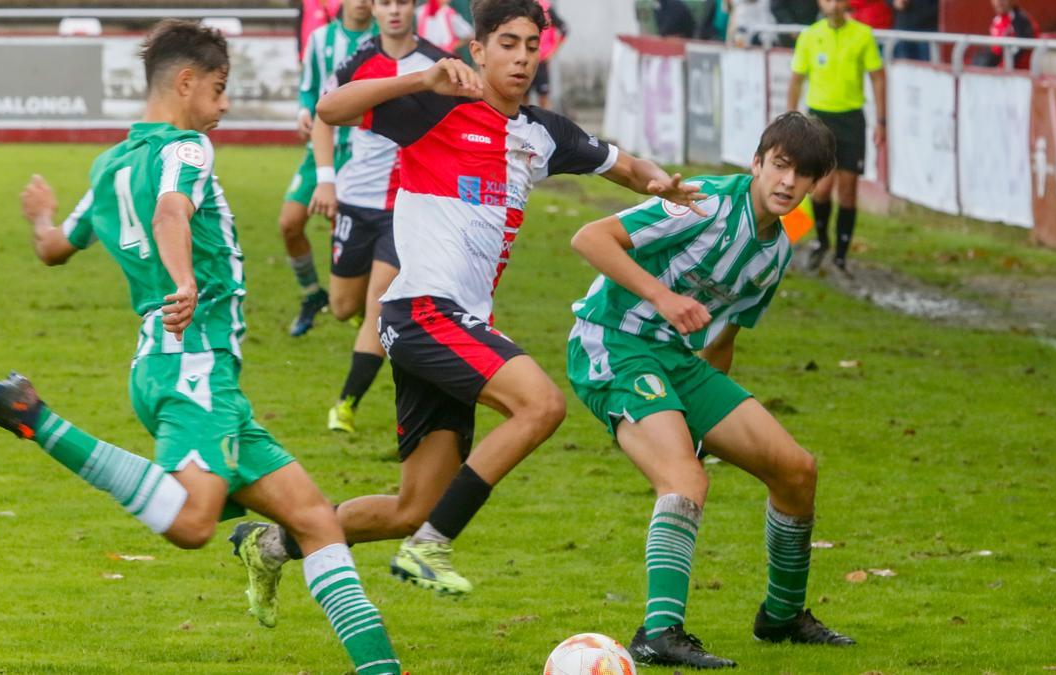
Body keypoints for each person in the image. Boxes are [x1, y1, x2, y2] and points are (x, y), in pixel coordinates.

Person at [0, 20, 401, 674]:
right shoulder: (187, 149)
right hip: (194, 368)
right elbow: (170, 213)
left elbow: (54, 249)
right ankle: (34, 418)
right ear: (185, 83)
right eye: (218, 91)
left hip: (179, 369)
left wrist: (40, 215)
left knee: (315, 520)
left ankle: (383, 669)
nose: (222, 108)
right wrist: (184, 278)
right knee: (193, 524)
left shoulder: (108, 166)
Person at [230, 0, 707, 609]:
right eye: (508, 43)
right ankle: (433, 545)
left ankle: (268, 546)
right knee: (541, 405)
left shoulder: (544, 133)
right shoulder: (434, 106)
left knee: (409, 507)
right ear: (477, 50)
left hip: (456, 324)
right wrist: (421, 77)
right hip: (420, 311)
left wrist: (662, 183)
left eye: (532, 45)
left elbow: (625, 166)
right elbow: (331, 108)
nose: (522, 57)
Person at [566, 112, 854, 670]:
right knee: (684, 478)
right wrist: (664, 299)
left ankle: (783, 615)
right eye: (779, 166)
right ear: (757, 162)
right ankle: (658, 633)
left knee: (796, 470)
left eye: (802, 175)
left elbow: (723, 340)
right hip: (614, 342)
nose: (787, 183)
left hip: (678, 362)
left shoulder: (776, 252)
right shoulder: (704, 203)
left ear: (816, 185)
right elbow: (591, 238)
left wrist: (707, 416)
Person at [305, 0, 450, 435]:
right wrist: (325, 179)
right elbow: (323, 115)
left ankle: (346, 404)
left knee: (378, 305)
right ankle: (368, 329)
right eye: (385, 2)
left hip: (406, 204)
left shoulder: (438, 63)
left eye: (402, 2)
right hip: (354, 198)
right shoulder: (359, 61)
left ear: (414, 7)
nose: (394, 11)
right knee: (341, 305)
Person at [282, 0, 377, 337]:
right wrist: (303, 113)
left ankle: (361, 310)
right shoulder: (321, 39)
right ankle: (312, 295)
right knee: (290, 224)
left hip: (360, 153)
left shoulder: (383, 39)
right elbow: (309, 90)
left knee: (345, 232)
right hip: (319, 150)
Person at [788, 0, 886, 276]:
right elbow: (796, 79)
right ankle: (822, 241)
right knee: (820, 188)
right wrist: (791, 120)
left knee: (848, 188)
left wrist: (882, 120)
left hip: (851, 119)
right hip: (819, 119)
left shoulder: (862, 34)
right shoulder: (810, 35)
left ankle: (841, 255)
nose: (831, 4)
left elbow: (878, 76)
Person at [528, 0, 568, 109]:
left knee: (543, 97)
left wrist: (552, 52)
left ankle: (546, 124)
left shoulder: (546, 7)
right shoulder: (520, 5)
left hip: (541, 61)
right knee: (522, 96)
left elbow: (564, 29)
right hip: (526, 59)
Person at [982, 0, 1039, 70]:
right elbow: (994, 52)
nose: (999, 1)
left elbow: (1022, 49)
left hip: (1018, 74)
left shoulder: (1021, 20)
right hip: (998, 73)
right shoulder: (997, 21)